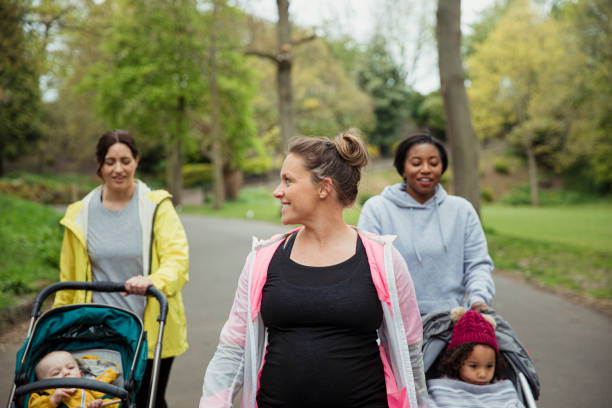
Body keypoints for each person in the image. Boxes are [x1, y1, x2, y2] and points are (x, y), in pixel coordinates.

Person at [199, 130, 428, 408]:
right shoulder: (263, 259)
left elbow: (410, 353)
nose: (277, 191)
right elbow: (234, 350)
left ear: (324, 187)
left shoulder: (384, 261)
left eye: (288, 181)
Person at [53, 130, 189, 408]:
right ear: (100, 165)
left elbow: (177, 260)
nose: (118, 169)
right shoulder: (79, 214)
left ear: (136, 161)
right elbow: (67, 280)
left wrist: (153, 281)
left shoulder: (156, 207)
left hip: (150, 328)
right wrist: (57, 329)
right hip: (97, 332)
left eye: (125, 161)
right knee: (100, 401)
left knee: (147, 400)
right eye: (110, 161)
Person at [357, 132, 495, 315]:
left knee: (502, 342)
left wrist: (478, 299)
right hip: (396, 322)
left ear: (442, 168)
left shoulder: (462, 210)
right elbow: (366, 268)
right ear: (403, 169)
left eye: (433, 163)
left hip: (452, 318)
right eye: (416, 163)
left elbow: (477, 264)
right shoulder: (377, 209)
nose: (426, 169)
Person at [426, 309, 525, 408]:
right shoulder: (441, 390)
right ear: (456, 362)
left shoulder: (503, 392)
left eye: (489, 366)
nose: (483, 374)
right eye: (473, 366)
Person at [28, 351, 119, 408]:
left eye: (71, 368)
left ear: (80, 373)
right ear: (44, 384)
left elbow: (117, 403)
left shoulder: (91, 389)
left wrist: (100, 404)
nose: (66, 373)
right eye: (56, 373)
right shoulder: (45, 396)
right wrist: (52, 400)